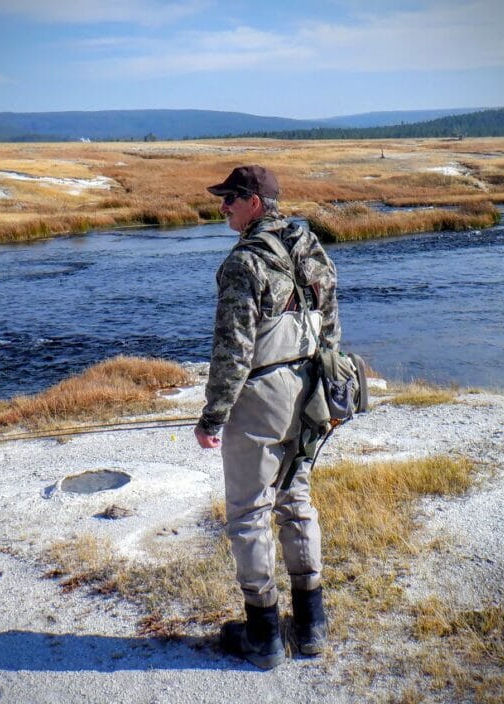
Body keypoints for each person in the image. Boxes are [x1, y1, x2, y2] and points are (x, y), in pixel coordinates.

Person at [194, 165, 340, 669]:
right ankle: (311, 625)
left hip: (261, 398)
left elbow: (232, 353)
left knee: (250, 512)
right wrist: (327, 390)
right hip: (312, 390)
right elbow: (332, 326)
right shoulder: (310, 245)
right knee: (296, 499)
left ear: (254, 201)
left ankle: (264, 635)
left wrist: (212, 418)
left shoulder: (243, 263)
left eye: (230, 197)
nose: (222, 206)